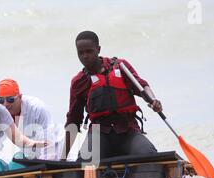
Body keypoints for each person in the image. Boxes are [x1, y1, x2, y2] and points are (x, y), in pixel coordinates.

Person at [63, 30, 163, 162]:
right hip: (99, 134)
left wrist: (153, 100)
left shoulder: (121, 67)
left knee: (148, 154)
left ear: (98, 49)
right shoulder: (78, 82)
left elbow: (142, 86)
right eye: (81, 53)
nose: (85, 56)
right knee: (86, 163)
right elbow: (73, 121)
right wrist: (63, 158)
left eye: (89, 51)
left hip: (128, 130)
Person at [0, 78, 62, 160]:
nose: (5, 104)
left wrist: (44, 164)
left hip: (56, 152)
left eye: (10, 99)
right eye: (1, 100)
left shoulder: (37, 108)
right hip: (29, 155)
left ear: (20, 97)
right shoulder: (0, 112)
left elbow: (48, 140)